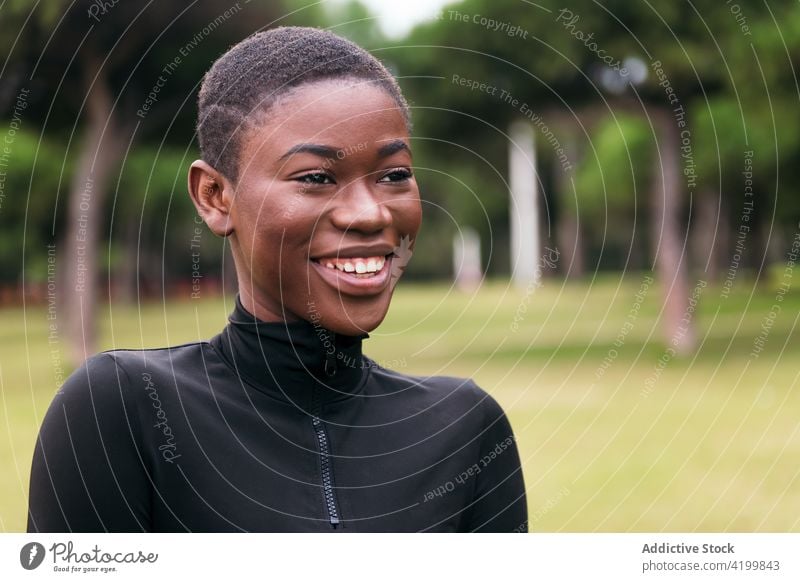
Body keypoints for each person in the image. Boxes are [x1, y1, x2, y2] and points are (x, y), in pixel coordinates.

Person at [27, 26, 527, 532]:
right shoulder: (123, 411)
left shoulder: (466, 428)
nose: (371, 213)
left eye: (394, 175)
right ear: (215, 198)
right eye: (315, 178)